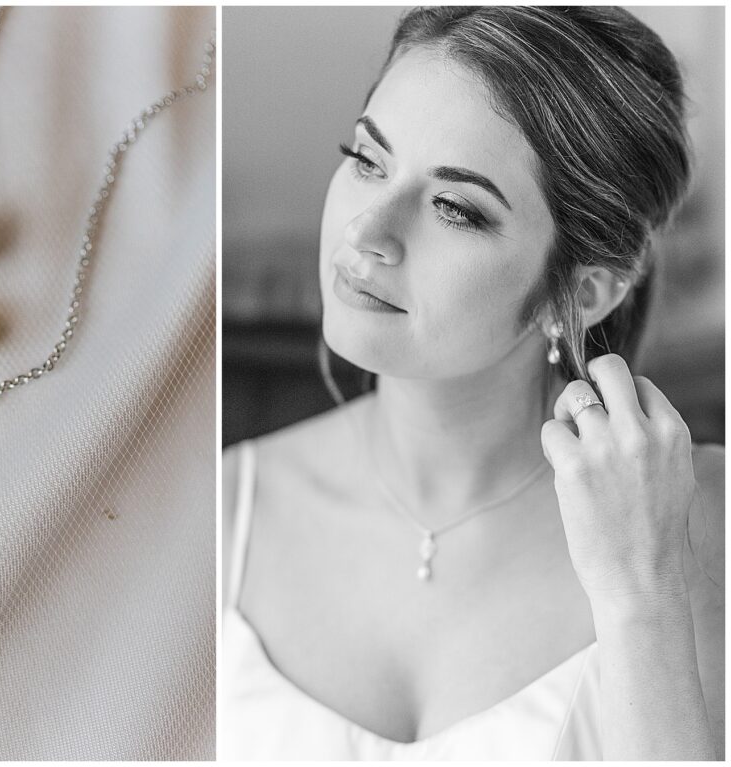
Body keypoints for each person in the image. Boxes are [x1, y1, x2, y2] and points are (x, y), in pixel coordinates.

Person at [221, 6, 723, 760]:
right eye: (366, 160)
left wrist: (641, 598)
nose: (366, 233)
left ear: (583, 293)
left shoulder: (704, 527)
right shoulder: (224, 509)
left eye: (455, 208)